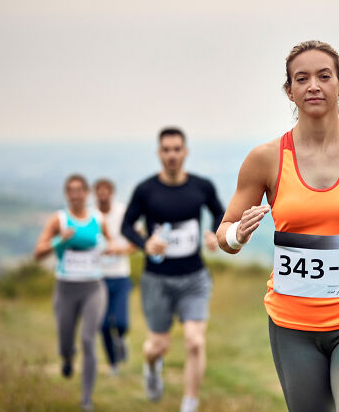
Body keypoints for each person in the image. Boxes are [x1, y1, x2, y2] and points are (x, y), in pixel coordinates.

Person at [217, 40, 339, 412]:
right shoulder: (265, 159)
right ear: (290, 91)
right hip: (292, 325)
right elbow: (223, 233)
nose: (313, 85)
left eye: (324, 76)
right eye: (301, 78)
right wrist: (238, 234)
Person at [121, 127, 224, 412]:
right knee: (158, 346)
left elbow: (219, 212)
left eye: (177, 149)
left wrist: (214, 233)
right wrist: (145, 243)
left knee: (194, 341)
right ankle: (152, 368)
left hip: (194, 278)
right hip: (157, 281)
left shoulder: (201, 186)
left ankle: (189, 403)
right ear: (159, 153)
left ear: (185, 151)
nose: (172, 155)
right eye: (166, 150)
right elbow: (126, 226)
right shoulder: (146, 190)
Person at [34, 174, 113, 411]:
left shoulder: (98, 219)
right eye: (71, 190)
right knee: (65, 341)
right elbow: (38, 253)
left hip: (93, 287)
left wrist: (104, 249)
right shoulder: (59, 220)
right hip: (66, 288)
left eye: (80, 190)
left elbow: (108, 244)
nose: (76, 194)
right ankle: (67, 357)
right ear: (66, 194)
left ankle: (86, 399)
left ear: (86, 193)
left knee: (88, 339)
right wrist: (60, 240)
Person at [93, 178, 134, 375]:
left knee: (120, 322)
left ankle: (122, 340)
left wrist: (117, 250)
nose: (102, 194)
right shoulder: (90, 216)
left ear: (112, 193)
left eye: (106, 190)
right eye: (99, 191)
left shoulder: (122, 213)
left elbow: (135, 243)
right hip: (97, 277)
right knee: (102, 325)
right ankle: (113, 363)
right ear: (95, 194)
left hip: (120, 275)